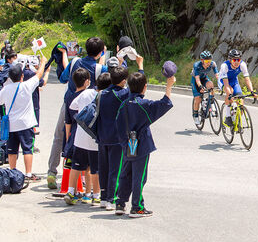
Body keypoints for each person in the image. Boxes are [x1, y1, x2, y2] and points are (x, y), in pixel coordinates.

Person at [47, 37, 107, 189]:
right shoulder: (101, 69)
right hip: (87, 110)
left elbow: (62, 78)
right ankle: (86, 180)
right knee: (87, 142)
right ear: (100, 53)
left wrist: (65, 57)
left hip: (69, 104)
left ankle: (52, 172)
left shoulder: (75, 63)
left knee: (60, 137)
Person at [114, 71, 175, 218]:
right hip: (141, 144)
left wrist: (123, 141)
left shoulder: (123, 105)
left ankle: (120, 203)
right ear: (145, 87)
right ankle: (137, 207)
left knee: (125, 173)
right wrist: (169, 86)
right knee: (139, 177)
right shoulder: (143, 105)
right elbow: (164, 104)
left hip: (127, 143)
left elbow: (118, 124)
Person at [97, 55, 143, 210]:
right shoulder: (122, 94)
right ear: (123, 81)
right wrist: (140, 66)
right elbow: (138, 88)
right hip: (117, 138)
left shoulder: (101, 94)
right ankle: (112, 198)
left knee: (103, 167)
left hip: (102, 136)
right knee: (116, 169)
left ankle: (103, 197)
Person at [0, 55, 48, 181]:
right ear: (22, 76)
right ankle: (28, 174)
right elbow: (39, 75)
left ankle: (12, 172)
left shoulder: (6, 89)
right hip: (26, 124)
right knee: (28, 149)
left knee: (12, 150)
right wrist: (43, 63)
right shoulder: (26, 86)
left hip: (11, 125)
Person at [63, 71, 111, 206]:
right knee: (95, 169)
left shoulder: (86, 93)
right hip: (95, 139)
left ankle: (71, 192)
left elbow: (72, 106)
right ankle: (96, 196)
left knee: (76, 166)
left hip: (80, 137)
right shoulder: (105, 97)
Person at [218, 49, 257, 127]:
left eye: (238, 60)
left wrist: (252, 91)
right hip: (223, 81)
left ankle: (236, 121)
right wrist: (229, 94)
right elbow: (226, 84)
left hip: (234, 81)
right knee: (230, 92)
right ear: (230, 60)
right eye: (234, 60)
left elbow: (247, 79)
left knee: (241, 102)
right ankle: (228, 116)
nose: (236, 62)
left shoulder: (242, 64)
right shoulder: (224, 66)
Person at [191, 51, 219, 125]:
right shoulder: (197, 65)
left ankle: (211, 103)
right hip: (195, 80)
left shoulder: (213, 64)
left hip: (204, 78)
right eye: (206, 61)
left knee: (211, 85)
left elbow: (217, 75)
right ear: (202, 60)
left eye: (209, 60)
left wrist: (221, 83)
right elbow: (197, 79)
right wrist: (200, 86)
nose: (208, 62)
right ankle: (195, 115)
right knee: (198, 98)